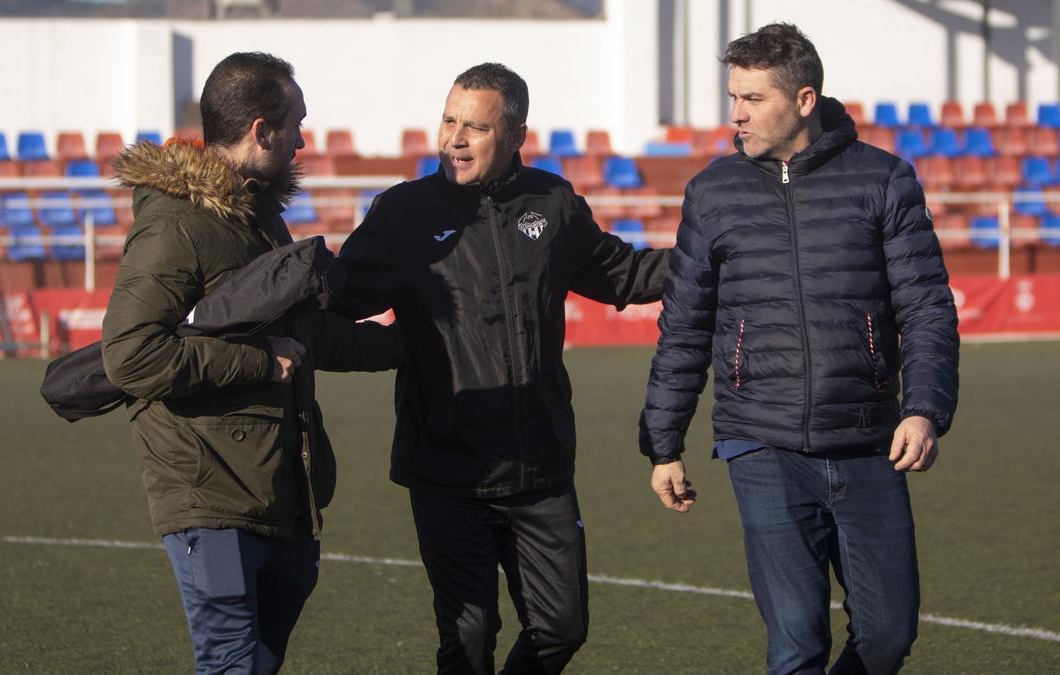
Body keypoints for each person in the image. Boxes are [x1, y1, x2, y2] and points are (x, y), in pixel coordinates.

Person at [639, 23, 960, 674]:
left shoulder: (884, 180)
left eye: (753, 99)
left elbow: (926, 306)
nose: (737, 115)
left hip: (869, 440)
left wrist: (923, 409)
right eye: (734, 96)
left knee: (888, 636)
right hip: (760, 443)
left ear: (805, 99)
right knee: (795, 642)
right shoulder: (712, 191)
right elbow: (684, 323)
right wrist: (663, 443)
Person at [336, 62, 669, 674]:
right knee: (467, 638)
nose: (455, 139)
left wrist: (718, 257)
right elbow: (337, 302)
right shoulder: (402, 213)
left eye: (476, 127)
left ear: (515, 135)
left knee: (562, 626)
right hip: (446, 468)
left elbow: (624, 274)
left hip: (540, 464)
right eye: (448, 121)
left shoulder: (553, 202)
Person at [101, 52, 402, 674]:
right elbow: (130, 354)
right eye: (295, 126)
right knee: (233, 663)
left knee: (258, 664)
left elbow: (308, 336)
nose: (300, 144)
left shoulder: (261, 218)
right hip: (208, 492)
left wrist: (412, 346)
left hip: (280, 489)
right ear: (261, 131)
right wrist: (259, 363)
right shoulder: (175, 226)